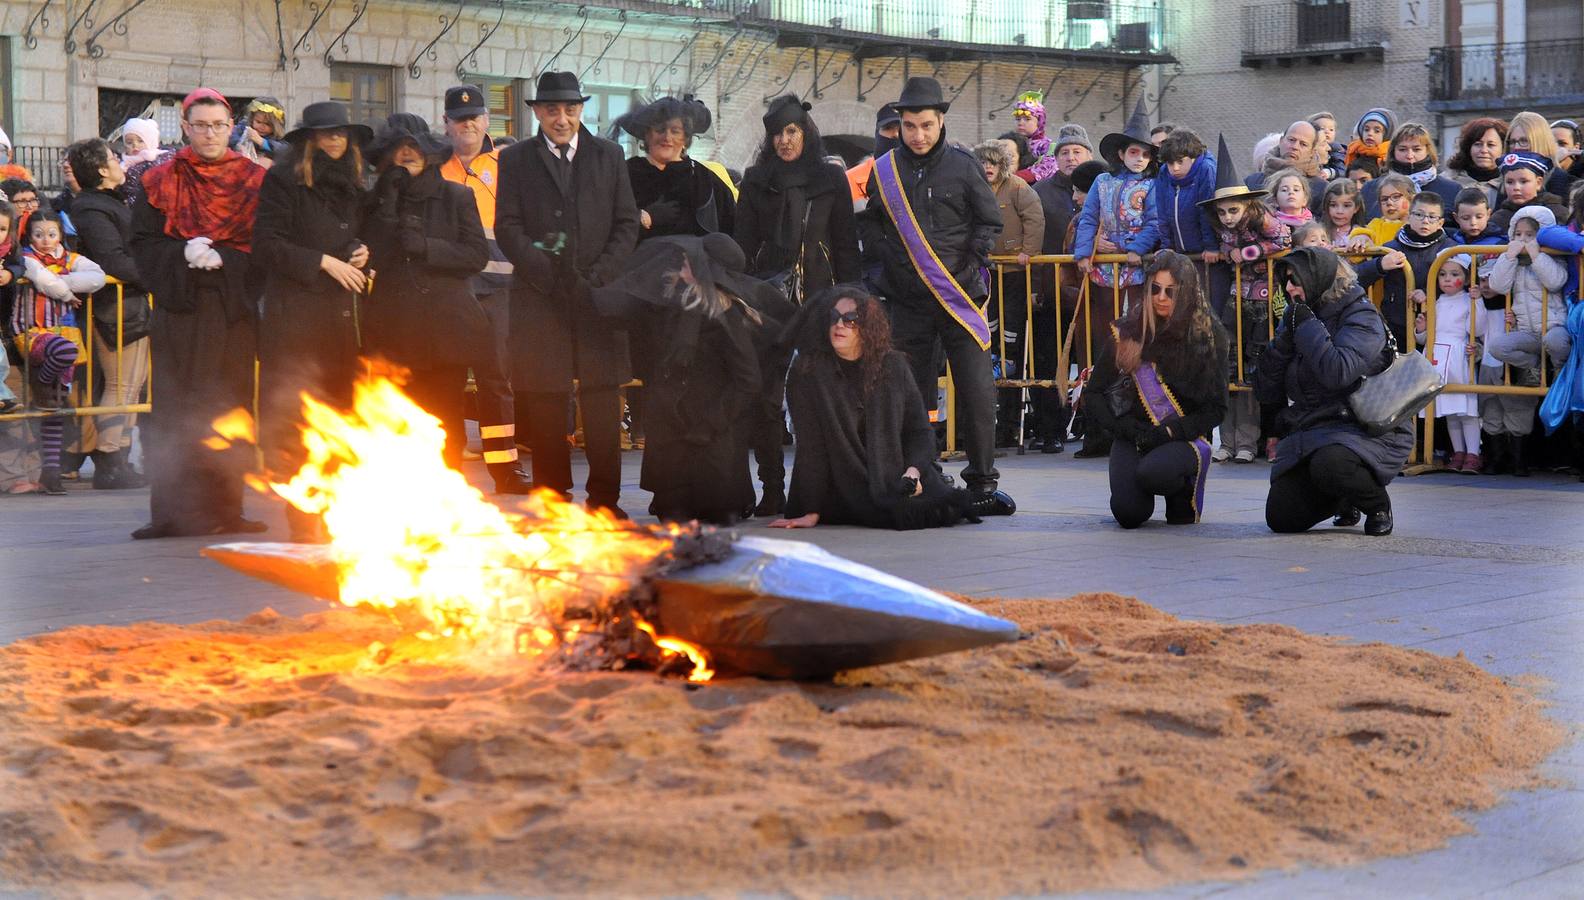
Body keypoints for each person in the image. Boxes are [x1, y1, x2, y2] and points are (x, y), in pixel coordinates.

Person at [861, 76, 1012, 516]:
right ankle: (923, 472)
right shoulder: (884, 170)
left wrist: (969, 265)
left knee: (977, 389)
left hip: (960, 298)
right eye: (909, 126)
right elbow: (871, 225)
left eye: (926, 125)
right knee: (914, 393)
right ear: (900, 125)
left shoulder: (964, 166)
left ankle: (982, 479)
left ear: (941, 121)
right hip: (907, 301)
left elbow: (988, 223)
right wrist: (887, 264)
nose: (918, 135)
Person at [496, 71, 640, 518]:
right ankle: (554, 499)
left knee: (600, 398)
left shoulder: (609, 155)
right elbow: (508, 226)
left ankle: (604, 502)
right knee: (546, 398)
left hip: (598, 296)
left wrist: (597, 277)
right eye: (553, 109)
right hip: (541, 297)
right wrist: (547, 275)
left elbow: (626, 223)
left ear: (582, 111)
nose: (562, 118)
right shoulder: (516, 159)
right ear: (538, 112)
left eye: (570, 109)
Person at [362, 113, 526, 497]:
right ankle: (401, 494)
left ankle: (446, 493)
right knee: (395, 413)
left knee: (445, 414)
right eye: (398, 153)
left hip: (444, 327)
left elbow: (472, 255)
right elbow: (372, 254)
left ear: (430, 154)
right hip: (394, 325)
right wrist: (386, 206)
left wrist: (427, 248)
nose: (406, 157)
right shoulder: (377, 200)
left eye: (413, 150)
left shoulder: (456, 195)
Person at [129, 87, 268, 539]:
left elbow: (267, 248)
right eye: (201, 125)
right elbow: (144, 246)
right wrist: (182, 253)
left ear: (232, 128)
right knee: (176, 408)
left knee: (230, 408)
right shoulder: (159, 179)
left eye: (219, 125)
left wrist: (229, 260)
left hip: (231, 310)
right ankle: (171, 513)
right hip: (180, 310)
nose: (210, 134)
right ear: (185, 128)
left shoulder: (254, 180)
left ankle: (228, 508)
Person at [592, 234, 791, 523]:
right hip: (673, 432)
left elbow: (748, 380)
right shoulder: (667, 306)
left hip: (711, 433)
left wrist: (711, 423)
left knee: (716, 512)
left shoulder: (727, 316)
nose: (680, 267)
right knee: (674, 513)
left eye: (688, 264)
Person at [733, 95, 861, 516]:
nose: (785, 141)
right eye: (777, 134)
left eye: (792, 132)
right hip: (767, 298)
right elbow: (743, 243)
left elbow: (845, 243)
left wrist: (852, 301)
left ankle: (817, 490)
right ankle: (772, 487)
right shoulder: (755, 179)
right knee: (765, 397)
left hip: (820, 298)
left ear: (805, 133)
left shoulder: (829, 178)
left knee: (818, 395)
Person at [252, 101, 372, 541]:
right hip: (297, 319)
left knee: (341, 417)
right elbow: (267, 244)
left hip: (343, 322)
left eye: (342, 132)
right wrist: (320, 261)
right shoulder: (283, 179)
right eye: (326, 133)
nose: (335, 140)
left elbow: (364, 230)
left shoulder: (357, 182)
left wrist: (363, 249)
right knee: (299, 421)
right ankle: (305, 517)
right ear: (309, 140)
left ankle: (337, 511)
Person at [772, 286, 980, 531]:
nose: (840, 325)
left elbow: (918, 430)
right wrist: (810, 510)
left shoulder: (893, 366)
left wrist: (913, 472)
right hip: (843, 484)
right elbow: (811, 448)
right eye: (833, 318)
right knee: (897, 513)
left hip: (897, 475)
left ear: (868, 326)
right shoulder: (808, 371)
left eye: (851, 319)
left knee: (946, 506)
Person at [1257, 246, 1412, 536]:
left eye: (1295, 280)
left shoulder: (1360, 315)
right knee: (1282, 517)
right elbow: (1267, 381)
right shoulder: (1298, 316)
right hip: (1312, 424)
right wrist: (1283, 343)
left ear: (1319, 278)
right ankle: (1342, 496)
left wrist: (1306, 326)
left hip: (1362, 426)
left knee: (1331, 463)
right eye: (1286, 281)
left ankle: (1376, 504)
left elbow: (1338, 372)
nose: (1289, 288)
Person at [1080, 251, 1227, 528]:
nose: (1161, 297)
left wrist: (1172, 431)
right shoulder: (1127, 333)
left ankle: (1184, 486)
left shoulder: (1207, 335)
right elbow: (1094, 393)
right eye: (1155, 289)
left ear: (1186, 293)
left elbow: (1216, 409)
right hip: (1134, 434)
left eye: (1171, 292)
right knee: (1128, 514)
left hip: (1181, 436)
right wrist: (1121, 428)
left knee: (1154, 473)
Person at [438, 85, 523, 486]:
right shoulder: (435, 166)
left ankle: (504, 468)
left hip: (498, 289)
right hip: (450, 291)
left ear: (487, 121)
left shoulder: (508, 164)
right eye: (459, 119)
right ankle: (447, 468)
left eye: (474, 118)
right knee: (447, 382)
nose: (467, 124)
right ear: (447, 124)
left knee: (496, 381)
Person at [65, 137, 152, 490]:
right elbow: (112, 258)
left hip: (127, 303)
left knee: (130, 385)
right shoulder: (92, 207)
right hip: (114, 306)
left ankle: (117, 457)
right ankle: (110, 461)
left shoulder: (105, 202)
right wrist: (156, 275)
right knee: (122, 383)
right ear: (102, 170)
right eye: (114, 158)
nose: (120, 162)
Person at [973, 139, 1044, 449]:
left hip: (1014, 269)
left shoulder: (1017, 187)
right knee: (991, 320)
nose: (988, 167)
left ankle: (1009, 359)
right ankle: (994, 356)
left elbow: (1034, 218)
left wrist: (1029, 251)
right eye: (983, 162)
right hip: (986, 269)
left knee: (1013, 320)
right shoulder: (974, 187)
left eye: (993, 162)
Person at [1073, 98, 1160, 330]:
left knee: (1136, 323)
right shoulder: (1102, 181)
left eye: (1146, 154)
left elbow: (1155, 222)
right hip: (1104, 266)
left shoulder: (1152, 185)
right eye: (1134, 152)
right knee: (1107, 326)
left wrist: (1136, 249)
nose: (1140, 158)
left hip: (1137, 268)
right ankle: (1108, 365)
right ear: (1121, 154)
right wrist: (1084, 251)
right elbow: (1088, 217)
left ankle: (1136, 366)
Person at [620, 96, 735, 241]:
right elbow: (606, 224)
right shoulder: (627, 174)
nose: (667, 137)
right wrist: (644, 217)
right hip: (637, 262)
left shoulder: (703, 179)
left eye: (675, 131)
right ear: (647, 135)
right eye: (660, 129)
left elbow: (732, 229)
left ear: (686, 139)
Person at [1414, 254, 1485, 473]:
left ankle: (1474, 454)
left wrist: (1478, 301)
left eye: (1454, 274)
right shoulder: (1436, 301)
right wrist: (1421, 328)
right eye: (1442, 274)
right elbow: (1423, 339)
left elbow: (1478, 329)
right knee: (1450, 409)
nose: (1447, 279)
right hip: (1436, 357)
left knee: (1466, 408)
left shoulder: (1468, 300)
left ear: (1465, 279)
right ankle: (1459, 452)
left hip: (1457, 356)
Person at [1356, 191, 1453, 349]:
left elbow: (1461, 283)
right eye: (1419, 215)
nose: (1425, 221)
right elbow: (1358, 278)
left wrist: (1429, 293)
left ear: (1440, 222)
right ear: (1409, 216)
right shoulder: (1390, 248)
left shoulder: (1449, 249)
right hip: (1395, 323)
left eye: (1432, 217)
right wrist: (1380, 265)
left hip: (1436, 324)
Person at [1155, 129, 1225, 314]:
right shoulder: (1163, 174)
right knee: (1187, 307)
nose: (1175, 168)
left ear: (1193, 157)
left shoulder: (1206, 170)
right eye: (1170, 163)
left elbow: (1206, 209)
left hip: (1209, 255)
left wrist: (1210, 246)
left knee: (1211, 307)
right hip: (1182, 253)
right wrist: (1167, 245)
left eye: (1180, 161)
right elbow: (1162, 212)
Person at [1359, 123, 1463, 219]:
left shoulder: (1452, 189)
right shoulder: (1371, 188)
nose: (1409, 156)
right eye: (1402, 149)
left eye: (1416, 149)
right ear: (1392, 151)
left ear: (1428, 151)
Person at [1246, 121, 1327, 207]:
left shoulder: (1321, 190)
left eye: (1303, 144)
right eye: (1291, 140)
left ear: (1312, 152)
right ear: (1281, 141)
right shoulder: (1251, 183)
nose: (1295, 147)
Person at [1507, 111, 1575, 200]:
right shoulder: (1506, 179)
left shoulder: (1563, 182)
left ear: (1541, 142)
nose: (1516, 147)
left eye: (1524, 141)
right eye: (1512, 142)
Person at [1446, 117, 1509, 209]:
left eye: (1491, 145)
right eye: (1478, 144)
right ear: (1468, 147)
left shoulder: (1510, 184)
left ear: (1503, 148)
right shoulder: (1448, 181)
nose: (1483, 150)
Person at [1347, 172, 1412, 249]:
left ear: (1411, 199)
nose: (1389, 203)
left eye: (1396, 197)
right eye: (1384, 199)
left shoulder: (1417, 225)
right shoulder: (1376, 225)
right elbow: (1357, 257)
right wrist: (1361, 238)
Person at [118, 117, 168, 209]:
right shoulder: (124, 164)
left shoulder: (158, 162)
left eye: (140, 141)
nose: (135, 145)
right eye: (129, 142)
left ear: (150, 141)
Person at [1012, 91, 1060, 183]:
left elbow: (1046, 169)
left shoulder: (1048, 146)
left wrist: (1015, 177)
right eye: (1018, 119)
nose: (1021, 123)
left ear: (1040, 122)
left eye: (1027, 119)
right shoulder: (1010, 143)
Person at [231, 97, 286, 166]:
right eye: (258, 122)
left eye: (267, 124)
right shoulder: (244, 127)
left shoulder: (277, 139)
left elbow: (283, 150)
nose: (261, 127)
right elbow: (232, 137)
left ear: (276, 126)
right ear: (252, 119)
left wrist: (262, 142)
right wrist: (239, 144)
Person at [1320, 178, 1364, 248]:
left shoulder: (1361, 233)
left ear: (1356, 208)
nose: (1339, 211)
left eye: (1346, 206)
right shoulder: (1318, 232)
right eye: (1333, 205)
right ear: (1326, 206)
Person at [1309, 111, 1346, 180]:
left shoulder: (1337, 150)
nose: (1327, 131)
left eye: (1331, 129)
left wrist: (1329, 172)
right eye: (1322, 128)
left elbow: (1343, 170)